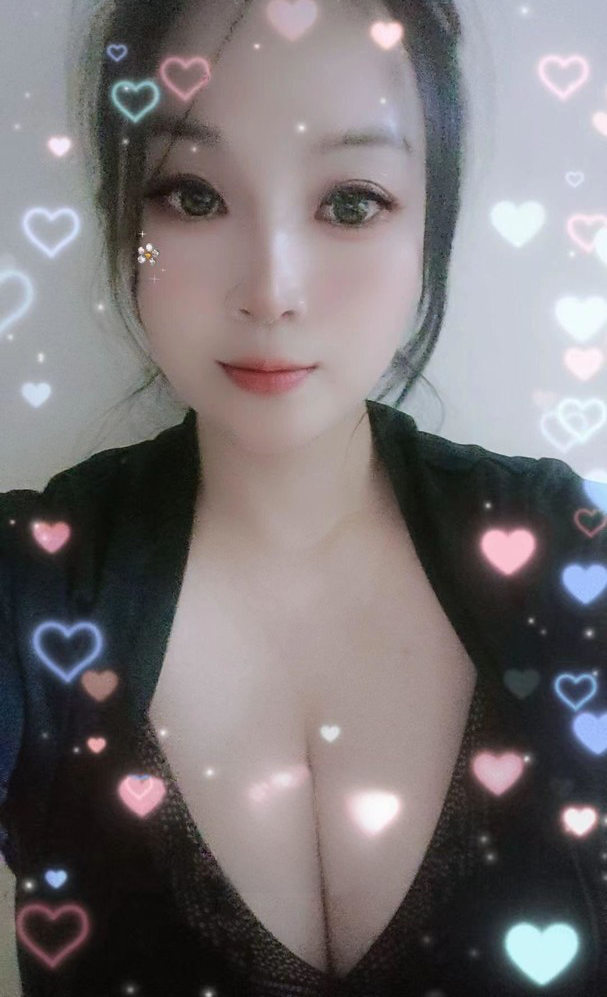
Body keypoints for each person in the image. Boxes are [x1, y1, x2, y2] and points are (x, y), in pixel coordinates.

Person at [1, 0, 606, 995]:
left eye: (352, 202)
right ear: (125, 215)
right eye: (191, 194)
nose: (271, 290)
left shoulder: (568, 556)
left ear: (429, 224)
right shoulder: (35, 584)